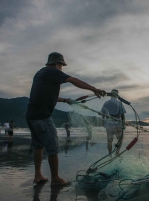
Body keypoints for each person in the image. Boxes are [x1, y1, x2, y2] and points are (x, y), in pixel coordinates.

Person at [26, 52, 106, 186]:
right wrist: (94, 89)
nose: (62, 68)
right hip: (42, 117)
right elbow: (73, 80)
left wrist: (65, 100)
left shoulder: (40, 74)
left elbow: (47, 96)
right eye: (62, 65)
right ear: (58, 64)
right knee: (54, 148)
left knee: (38, 146)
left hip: (31, 116)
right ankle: (56, 179)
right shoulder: (52, 71)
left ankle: (38, 175)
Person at [101, 89, 126, 156]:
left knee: (109, 140)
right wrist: (123, 124)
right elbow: (122, 115)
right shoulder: (119, 103)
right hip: (117, 123)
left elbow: (102, 114)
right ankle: (117, 152)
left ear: (111, 95)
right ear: (117, 95)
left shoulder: (106, 103)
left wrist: (103, 123)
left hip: (109, 123)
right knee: (120, 139)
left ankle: (110, 154)